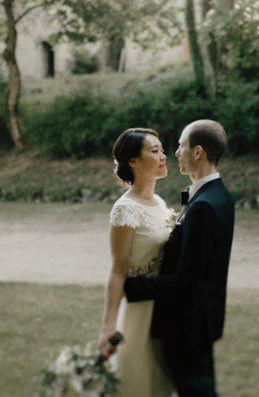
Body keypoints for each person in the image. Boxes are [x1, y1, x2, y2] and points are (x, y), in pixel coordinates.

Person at [122, 119, 235, 397]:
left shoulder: (204, 208)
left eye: (181, 146)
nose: (175, 153)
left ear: (197, 152)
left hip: (187, 329)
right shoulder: (220, 196)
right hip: (200, 321)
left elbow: (186, 281)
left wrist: (131, 287)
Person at [98, 127, 174, 397]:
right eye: (154, 151)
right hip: (139, 311)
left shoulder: (161, 204)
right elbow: (118, 271)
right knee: (137, 384)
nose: (164, 156)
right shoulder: (124, 209)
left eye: (162, 149)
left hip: (166, 308)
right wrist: (108, 328)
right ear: (133, 161)